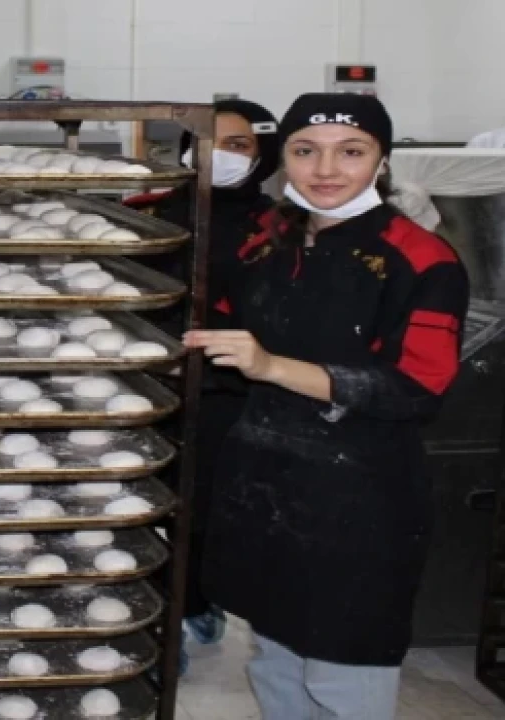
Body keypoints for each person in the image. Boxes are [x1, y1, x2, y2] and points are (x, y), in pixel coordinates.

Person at [186, 94, 469, 718]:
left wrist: (271, 367)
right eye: (306, 151)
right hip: (265, 485)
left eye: (352, 152)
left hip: (358, 501)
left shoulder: (421, 259)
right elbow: (224, 331)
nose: (326, 169)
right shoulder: (266, 246)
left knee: (345, 675)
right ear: (283, 158)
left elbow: (418, 387)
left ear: (382, 160)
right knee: (276, 660)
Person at [127, 98, 281, 658]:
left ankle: (191, 609)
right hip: (145, 385)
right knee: (143, 501)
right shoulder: (150, 212)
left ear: (264, 155)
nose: (219, 156)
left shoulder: (280, 228)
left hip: (228, 393)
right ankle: (146, 610)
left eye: (238, 145)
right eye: (208, 143)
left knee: (202, 509)